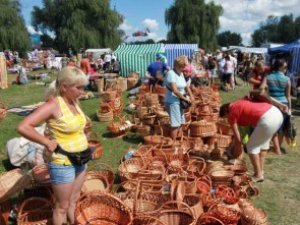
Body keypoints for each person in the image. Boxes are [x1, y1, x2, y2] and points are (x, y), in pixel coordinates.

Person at [17, 66, 90, 225]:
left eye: (83, 87)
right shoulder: (53, 105)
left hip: (82, 159)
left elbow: (74, 126)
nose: (83, 91)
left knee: (74, 200)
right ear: (64, 87)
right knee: (62, 206)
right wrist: (46, 142)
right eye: (79, 87)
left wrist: (83, 132)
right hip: (63, 162)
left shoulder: (74, 101)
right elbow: (23, 126)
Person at [219, 97, 286, 182]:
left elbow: (238, 139)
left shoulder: (232, 112)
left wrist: (234, 157)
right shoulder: (240, 102)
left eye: (225, 117)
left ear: (226, 111)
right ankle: (261, 171)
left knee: (251, 146)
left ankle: (258, 175)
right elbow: (245, 132)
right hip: (277, 113)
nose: (227, 120)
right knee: (262, 146)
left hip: (267, 118)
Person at [261, 58, 291, 154]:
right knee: (281, 127)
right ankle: (277, 146)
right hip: (284, 104)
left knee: (271, 124)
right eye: (286, 67)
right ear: (282, 67)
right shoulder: (287, 79)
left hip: (271, 103)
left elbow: (262, 88)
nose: (286, 68)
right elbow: (288, 96)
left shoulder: (268, 76)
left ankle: (271, 144)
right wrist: (289, 108)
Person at [164, 56, 192, 140]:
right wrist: (185, 98)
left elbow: (186, 86)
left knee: (182, 122)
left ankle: (179, 140)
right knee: (175, 124)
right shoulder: (171, 73)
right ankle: (173, 143)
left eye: (185, 65)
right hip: (172, 101)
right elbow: (175, 90)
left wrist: (191, 95)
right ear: (179, 65)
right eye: (184, 65)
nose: (185, 67)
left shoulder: (181, 74)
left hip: (179, 101)